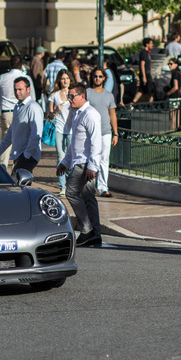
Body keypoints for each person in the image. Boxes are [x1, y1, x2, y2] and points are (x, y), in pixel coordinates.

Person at [56, 84, 102, 247]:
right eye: (69, 96)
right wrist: (64, 162)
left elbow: (97, 141)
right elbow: (75, 143)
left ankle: (87, 230)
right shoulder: (77, 114)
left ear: (82, 96)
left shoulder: (90, 114)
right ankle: (95, 234)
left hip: (84, 164)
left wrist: (92, 166)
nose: (69, 99)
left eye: (72, 96)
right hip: (79, 161)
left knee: (71, 193)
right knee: (89, 198)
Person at [0, 77, 44, 175]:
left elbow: (36, 134)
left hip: (28, 156)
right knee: (20, 186)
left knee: (18, 184)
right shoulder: (17, 107)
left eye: (20, 89)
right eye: (15, 90)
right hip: (19, 155)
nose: (17, 92)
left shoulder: (33, 107)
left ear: (28, 89)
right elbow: (11, 133)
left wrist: (27, 155)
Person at [0, 54, 35, 170]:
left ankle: (3, 165)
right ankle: (17, 165)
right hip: (21, 112)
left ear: (10, 64)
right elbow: (32, 98)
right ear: (22, 65)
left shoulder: (2, 77)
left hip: (6, 111)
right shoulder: (26, 78)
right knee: (21, 140)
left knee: (5, 139)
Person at [87, 67, 118, 198]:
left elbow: (112, 115)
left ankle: (103, 188)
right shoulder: (87, 92)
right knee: (91, 159)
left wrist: (115, 133)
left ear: (104, 78)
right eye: (95, 76)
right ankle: (89, 187)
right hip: (91, 133)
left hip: (106, 132)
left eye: (100, 76)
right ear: (92, 78)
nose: (97, 79)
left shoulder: (109, 95)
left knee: (104, 160)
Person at [47, 69, 73, 195]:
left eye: (67, 78)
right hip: (59, 128)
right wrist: (56, 110)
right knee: (61, 156)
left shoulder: (73, 94)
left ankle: (70, 181)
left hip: (71, 130)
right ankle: (62, 187)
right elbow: (50, 117)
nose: (65, 81)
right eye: (63, 78)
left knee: (72, 156)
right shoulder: (54, 95)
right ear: (59, 80)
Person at [131, 38, 154, 105]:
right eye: (151, 43)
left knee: (143, 90)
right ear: (147, 44)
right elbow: (142, 64)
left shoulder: (147, 52)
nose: (152, 45)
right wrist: (144, 76)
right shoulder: (143, 52)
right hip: (145, 74)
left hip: (148, 73)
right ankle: (150, 105)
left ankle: (133, 102)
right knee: (150, 91)